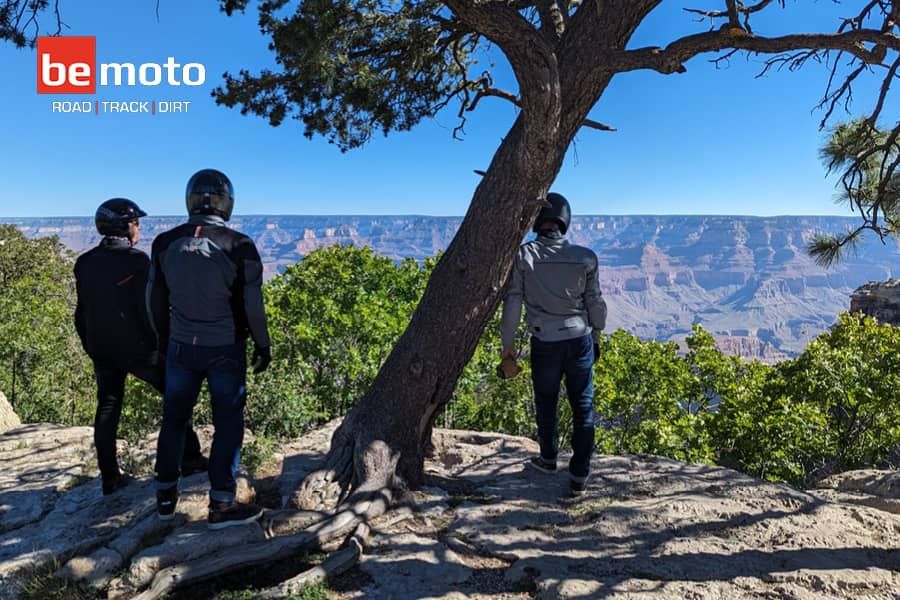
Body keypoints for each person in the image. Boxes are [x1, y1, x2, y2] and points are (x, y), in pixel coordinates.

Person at [149, 169, 272, 529]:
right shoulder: (240, 245)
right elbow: (254, 304)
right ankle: (221, 504)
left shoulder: (163, 242)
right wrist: (262, 344)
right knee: (228, 423)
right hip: (225, 349)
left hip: (180, 347)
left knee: (174, 419)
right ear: (227, 203)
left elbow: (154, 299)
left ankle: (165, 497)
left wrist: (163, 340)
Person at [74, 198, 208, 496]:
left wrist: (90, 345)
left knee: (108, 406)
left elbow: (82, 312)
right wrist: (163, 344)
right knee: (177, 394)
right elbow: (151, 308)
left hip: (101, 348)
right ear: (125, 227)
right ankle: (190, 457)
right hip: (138, 349)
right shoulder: (137, 262)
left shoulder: (84, 263)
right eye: (136, 223)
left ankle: (110, 477)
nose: (139, 229)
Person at [500, 192, 607, 496]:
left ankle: (548, 458)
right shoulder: (586, 257)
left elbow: (513, 302)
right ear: (565, 221)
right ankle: (580, 473)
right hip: (580, 340)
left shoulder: (524, 255)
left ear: (537, 222)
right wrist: (597, 334)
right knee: (583, 406)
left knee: (546, 403)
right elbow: (595, 302)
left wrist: (507, 345)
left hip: (545, 342)